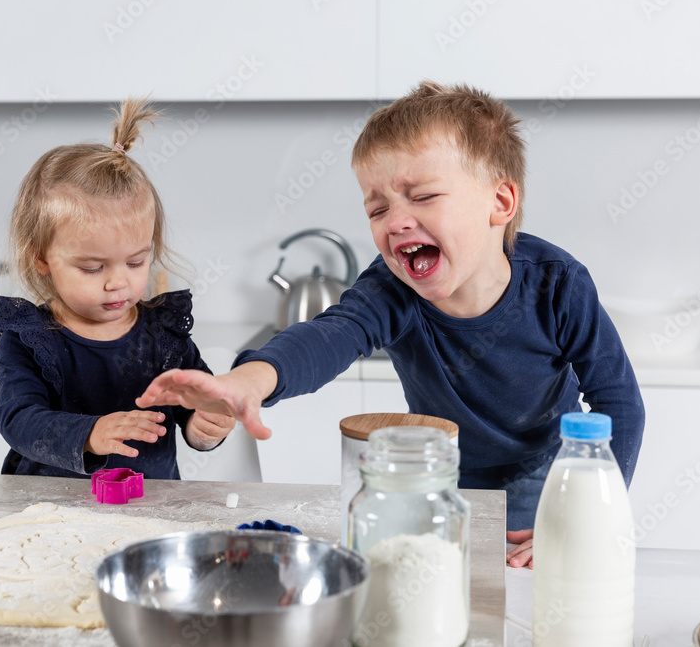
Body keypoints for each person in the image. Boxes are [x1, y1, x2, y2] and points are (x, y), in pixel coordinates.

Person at [137, 81, 645, 567]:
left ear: (501, 202)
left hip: (543, 469)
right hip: (436, 469)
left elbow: (618, 401)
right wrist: (246, 381)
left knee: (530, 583)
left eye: (422, 197)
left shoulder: (558, 285)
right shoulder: (393, 290)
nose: (396, 220)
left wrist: (590, 517)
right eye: (377, 208)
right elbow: (331, 335)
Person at [0, 98, 235, 480]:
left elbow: (196, 406)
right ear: (41, 259)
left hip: (147, 512)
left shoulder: (164, 336)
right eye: (92, 267)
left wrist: (203, 428)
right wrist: (89, 433)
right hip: (47, 515)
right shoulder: (30, 339)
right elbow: (18, 419)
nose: (118, 281)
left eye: (136, 262)